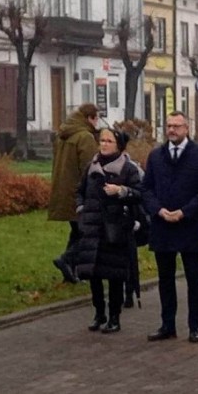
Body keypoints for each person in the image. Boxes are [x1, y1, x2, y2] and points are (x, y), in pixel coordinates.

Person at [142, 112, 198, 343]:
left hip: (190, 225)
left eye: (177, 126)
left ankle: (195, 326)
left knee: (194, 277)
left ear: (186, 128)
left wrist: (185, 211)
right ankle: (167, 325)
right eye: (169, 126)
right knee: (165, 278)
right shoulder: (156, 156)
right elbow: (146, 189)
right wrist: (158, 210)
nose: (172, 130)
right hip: (162, 225)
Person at [73, 128, 143, 334]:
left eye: (108, 141)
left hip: (115, 229)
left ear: (118, 145)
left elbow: (140, 193)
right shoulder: (91, 166)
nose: (103, 144)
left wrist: (122, 191)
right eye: (102, 140)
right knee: (92, 273)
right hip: (92, 227)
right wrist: (81, 208)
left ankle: (114, 317)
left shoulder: (127, 169)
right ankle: (99, 313)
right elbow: (79, 191)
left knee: (114, 274)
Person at [49, 104, 100, 283]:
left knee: (78, 231)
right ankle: (66, 260)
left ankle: (70, 271)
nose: (97, 122)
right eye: (96, 118)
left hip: (63, 189)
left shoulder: (64, 134)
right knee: (89, 234)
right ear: (89, 118)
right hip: (78, 192)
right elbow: (89, 168)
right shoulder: (85, 137)